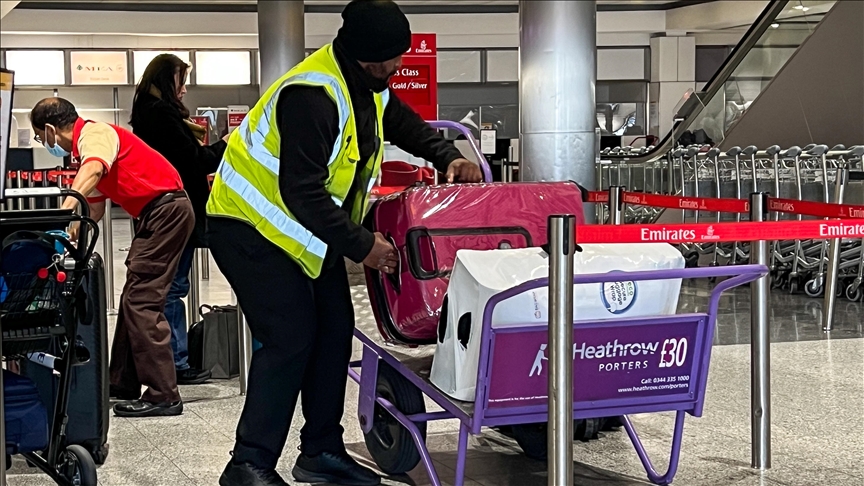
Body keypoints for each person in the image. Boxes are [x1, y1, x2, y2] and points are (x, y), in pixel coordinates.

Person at [206, 1, 482, 485]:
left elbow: (404, 124)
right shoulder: (312, 95)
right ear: (359, 54)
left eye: (399, 55)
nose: (396, 66)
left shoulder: (368, 87)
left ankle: (321, 451)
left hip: (307, 235)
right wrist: (363, 246)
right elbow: (302, 192)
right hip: (249, 227)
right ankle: (248, 464)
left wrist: (446, 155)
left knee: (334, 333)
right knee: (290, 339)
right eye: (387, 59)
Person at [30, 97, 194, 418]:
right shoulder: (87, 150)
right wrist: (67, 239)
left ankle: (163, 395)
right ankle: (121, 382)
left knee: (142, 301)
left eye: (40, 137)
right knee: (133, 298)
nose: (44, 143)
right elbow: (92, 210)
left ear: (50, 130)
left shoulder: (94, 135)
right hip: (158, 213)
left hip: (166, 211)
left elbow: (93, 170)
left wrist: (62, 212)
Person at [130, 53, 229, 386]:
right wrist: (225, 146)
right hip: (174, 212)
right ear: (165, 80)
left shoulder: (147, 113)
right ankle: (176, 361)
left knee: (168, 286)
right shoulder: (160, 115)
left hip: (158, 210)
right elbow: (194, 160)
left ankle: (172, 359)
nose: (184, 90)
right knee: (172, 288)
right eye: (180, 81)